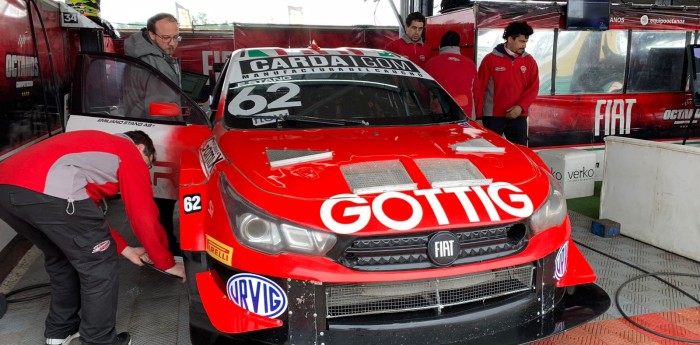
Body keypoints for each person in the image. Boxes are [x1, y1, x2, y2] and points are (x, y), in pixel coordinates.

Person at [0, 130, 185, 345]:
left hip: (6, 191)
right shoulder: (128, 151)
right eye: (149, 163)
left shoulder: (91, 150)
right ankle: (98, 340)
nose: (146, 169)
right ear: (142, 148)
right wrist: (166, 263)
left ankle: (60, 331)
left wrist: (126, 249)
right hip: (47, 191)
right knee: (99, 265)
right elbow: (143, 215)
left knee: (62, 258)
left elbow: (88, 222)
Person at [124, 12, 182, 255]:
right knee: (162, 199)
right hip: (155, 132)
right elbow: (161, 106)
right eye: (166, 37)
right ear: (151, 35)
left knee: (161, 197)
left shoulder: (159, 56)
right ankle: (166, 249)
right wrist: (181, 113)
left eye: (176, 37)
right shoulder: (149, 61)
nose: (172, 43)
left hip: (154, 130)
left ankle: (163, 244)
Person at [477, 21, 539, 146]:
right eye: (522, 41)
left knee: (520, 153)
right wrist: (478, 117)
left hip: (518, 116)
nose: (525, 45)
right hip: (492, 117)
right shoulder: (490, 60)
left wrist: (521, 107)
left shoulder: (529, 61)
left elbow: (533, 87)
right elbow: (479, 89)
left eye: (526, 42)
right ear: (510, 39)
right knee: (490, 153)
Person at [424, 30, 481, 120]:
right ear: (458, 47)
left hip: (439, 115)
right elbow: (477, 93)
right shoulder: (470, 64)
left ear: (440, 47)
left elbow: (424, 91)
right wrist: (479, 117)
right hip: (466, 115)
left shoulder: (430, 63)